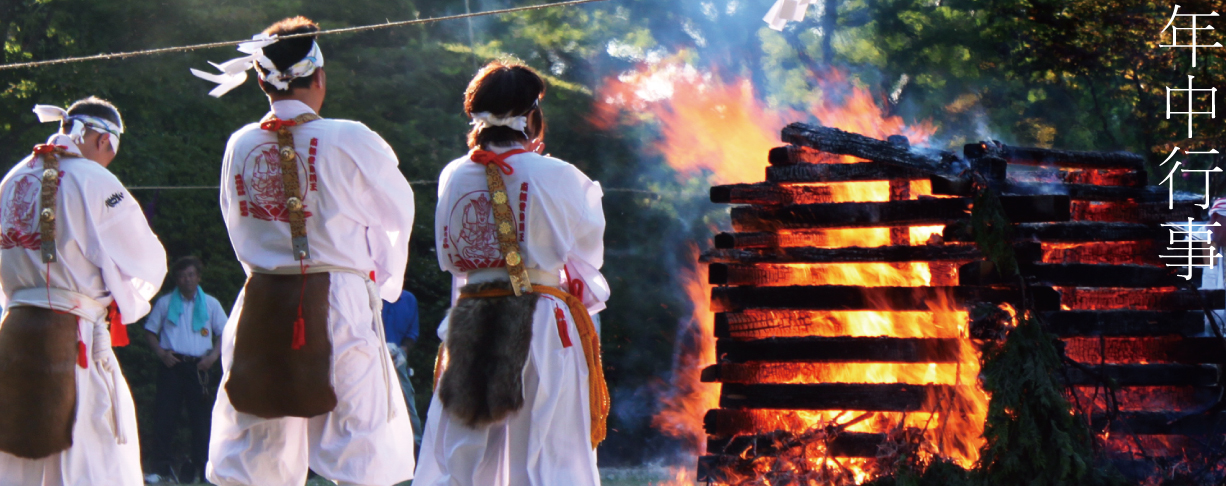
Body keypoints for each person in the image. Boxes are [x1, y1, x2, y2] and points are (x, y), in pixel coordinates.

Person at [192, 16, 416, 486]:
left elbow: (235, 221)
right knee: (360, 449)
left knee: (254, 453)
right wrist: (380, 281)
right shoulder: (351, 137)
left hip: (261, 301)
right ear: (320, 77)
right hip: (340, 300)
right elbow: (397, 217)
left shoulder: (240, 144)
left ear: (260, 81)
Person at [414, 61, 611, 486]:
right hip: (540, 323)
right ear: (533, 115)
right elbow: (586, 260)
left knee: (464, 453)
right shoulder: (560, 176)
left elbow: (453, 260)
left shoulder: (453, 175)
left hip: (471, 320)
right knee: (547, 453)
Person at [0, 97, 167, 485]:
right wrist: (120, 296)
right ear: (102, 140)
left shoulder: (11, 180)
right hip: (73, 336)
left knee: (10, 452)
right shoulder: (94, 179)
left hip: (13, 333)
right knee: (91, 454)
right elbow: (147, 261)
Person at [143, 256, 228, 484]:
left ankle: (204, 469)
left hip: (199, 367)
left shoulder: (210, 304)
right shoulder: (165, 303)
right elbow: (150, 331)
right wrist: (161, 353)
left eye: (191, 275)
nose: (187, 279)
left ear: (198, 277)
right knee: (165, 418)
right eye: (182, 275)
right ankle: (161, 469)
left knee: (201, 420)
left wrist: (212, 357)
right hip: (172, 365)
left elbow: (225, 333)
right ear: (177, 279)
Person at [382, 289, 424, 451]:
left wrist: (403, 350)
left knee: (406, 398)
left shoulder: (409, 298)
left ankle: (416, 446)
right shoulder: (372, 295)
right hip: (373, 356)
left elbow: (413, 332)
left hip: (397, 358)